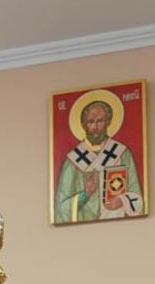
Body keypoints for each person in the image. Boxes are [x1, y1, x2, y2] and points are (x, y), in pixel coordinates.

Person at [54, 94, 144, 223]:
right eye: (91, 122)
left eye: (100, 121)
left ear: (108, 122)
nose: (95, 127)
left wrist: (122, 200)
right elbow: (61, 209)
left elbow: (137, 197)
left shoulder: (123, 153)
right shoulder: (72, 160)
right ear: (84, 125)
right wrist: (85, 194)